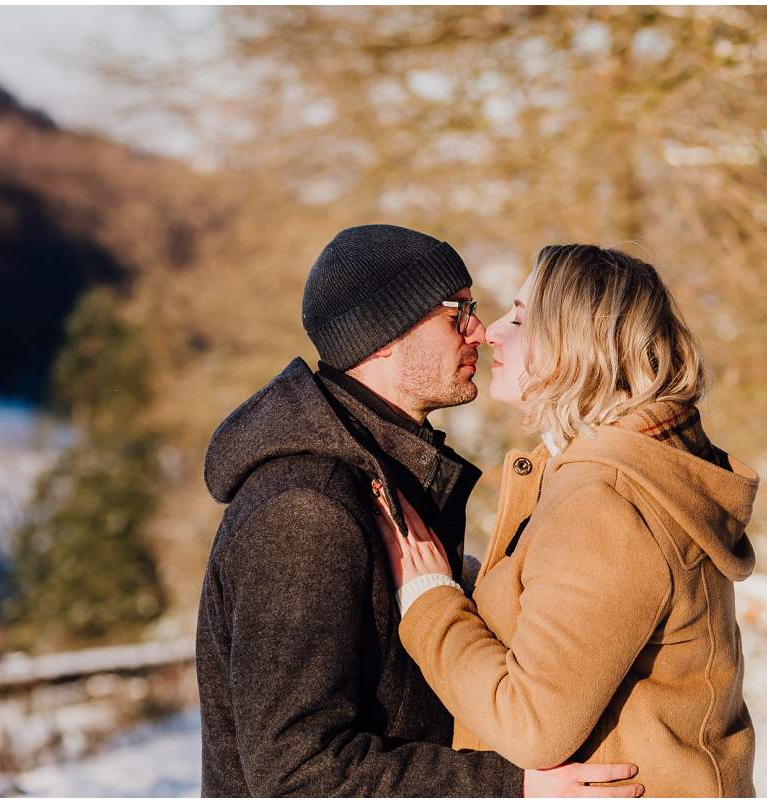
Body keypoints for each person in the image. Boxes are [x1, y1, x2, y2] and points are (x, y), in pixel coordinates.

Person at [196, 225, 643, 797]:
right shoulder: (305, 512)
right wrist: (509, 789)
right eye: (458, 313)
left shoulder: (384, 478)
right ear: (382, 336)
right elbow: (296, 776)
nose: (480, 333)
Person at [374, 244, 761, 797]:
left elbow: (530, 726)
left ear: (577, 342)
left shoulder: (605, 498)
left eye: (521, 317)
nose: (489, 333)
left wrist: (431, 601)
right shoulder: (634, 469)